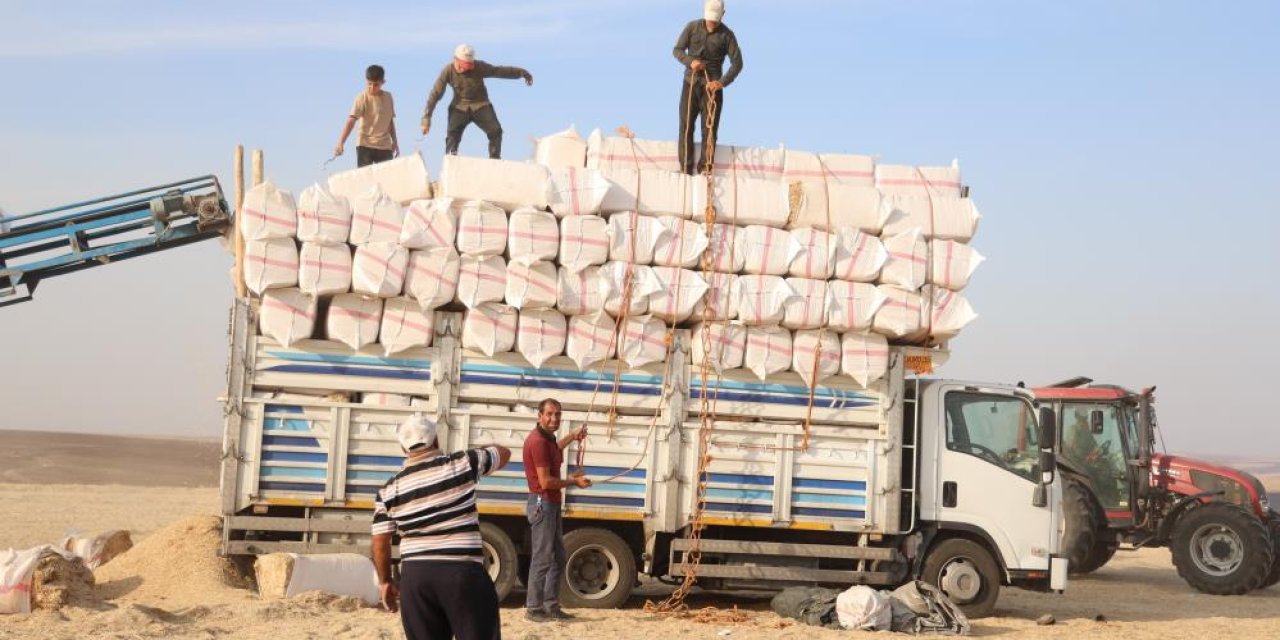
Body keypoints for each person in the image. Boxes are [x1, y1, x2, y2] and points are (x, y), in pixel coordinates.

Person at [372, 414, 511, 640]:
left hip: (416, 580)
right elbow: (503, 453)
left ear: (403, 448)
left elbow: (380, 542)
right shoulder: (461, 464)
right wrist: (480, 450)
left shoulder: (389, 490)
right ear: (435, 440)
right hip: (462, 573)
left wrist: (386, 581)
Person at [522, 398, 590, 622]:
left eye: (557, 414)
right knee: (542, 558)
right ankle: (533, 608)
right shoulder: (538, 442)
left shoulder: (547, 438)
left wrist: (572, 436)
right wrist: (573, 482)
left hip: (550, 503)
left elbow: (555, 448)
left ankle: (551, 606)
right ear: (539, 415)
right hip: (544, 502)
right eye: (549, 414)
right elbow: (546, 482)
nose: (554, 419)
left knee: (558, 557)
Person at [421, 44, 533, 159]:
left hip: (481, 105)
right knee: (452, 135)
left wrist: (521, 73)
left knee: (496, 131)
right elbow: (435, 94)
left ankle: (494, 160)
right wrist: (426, 118)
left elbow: (498, 71)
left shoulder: (479, 66)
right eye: (463, 66)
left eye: (468, 66)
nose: (466, 69)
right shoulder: (448, 71)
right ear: (455, 60)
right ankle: (451, 159)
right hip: (459, 107)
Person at [672, 0, 743, 175]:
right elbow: (677, 50)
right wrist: (690, 62)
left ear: (723, 14)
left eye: (715, 19)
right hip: (690, 85)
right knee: (686, 127)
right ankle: (685, 169)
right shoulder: (692, 27)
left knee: (709, 131)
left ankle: (705, 169)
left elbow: (737, 64)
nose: (712, 22)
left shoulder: (728, 36)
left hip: (712, 91)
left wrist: (721, 82)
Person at [334, 64, 399, 167]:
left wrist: (395, 142)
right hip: (365, 145)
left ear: (383, 82)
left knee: (386, 179)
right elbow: (351, 120)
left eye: (376, 85)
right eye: (369, 84)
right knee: (365, 179)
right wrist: (341, 142)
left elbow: (390, 121)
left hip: (385, 146)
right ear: (365, 80)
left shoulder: (388, 97)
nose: (372, 88)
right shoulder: (361, 98)